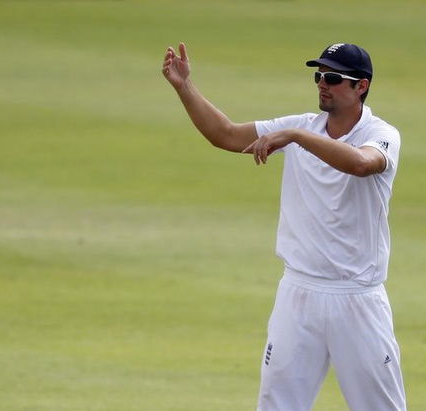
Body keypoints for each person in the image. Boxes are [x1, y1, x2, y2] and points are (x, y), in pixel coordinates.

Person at [162, 42, 407, 411]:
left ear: (362, 86)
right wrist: (185, 87)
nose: (322, 84)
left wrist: (297, 137)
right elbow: (226, 135)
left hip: (357, 296)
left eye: (334, 78)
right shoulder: (300, 126)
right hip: (298, 293)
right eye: (319, 76)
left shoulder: (381, 133)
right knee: (277, 404)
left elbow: (361, 163)